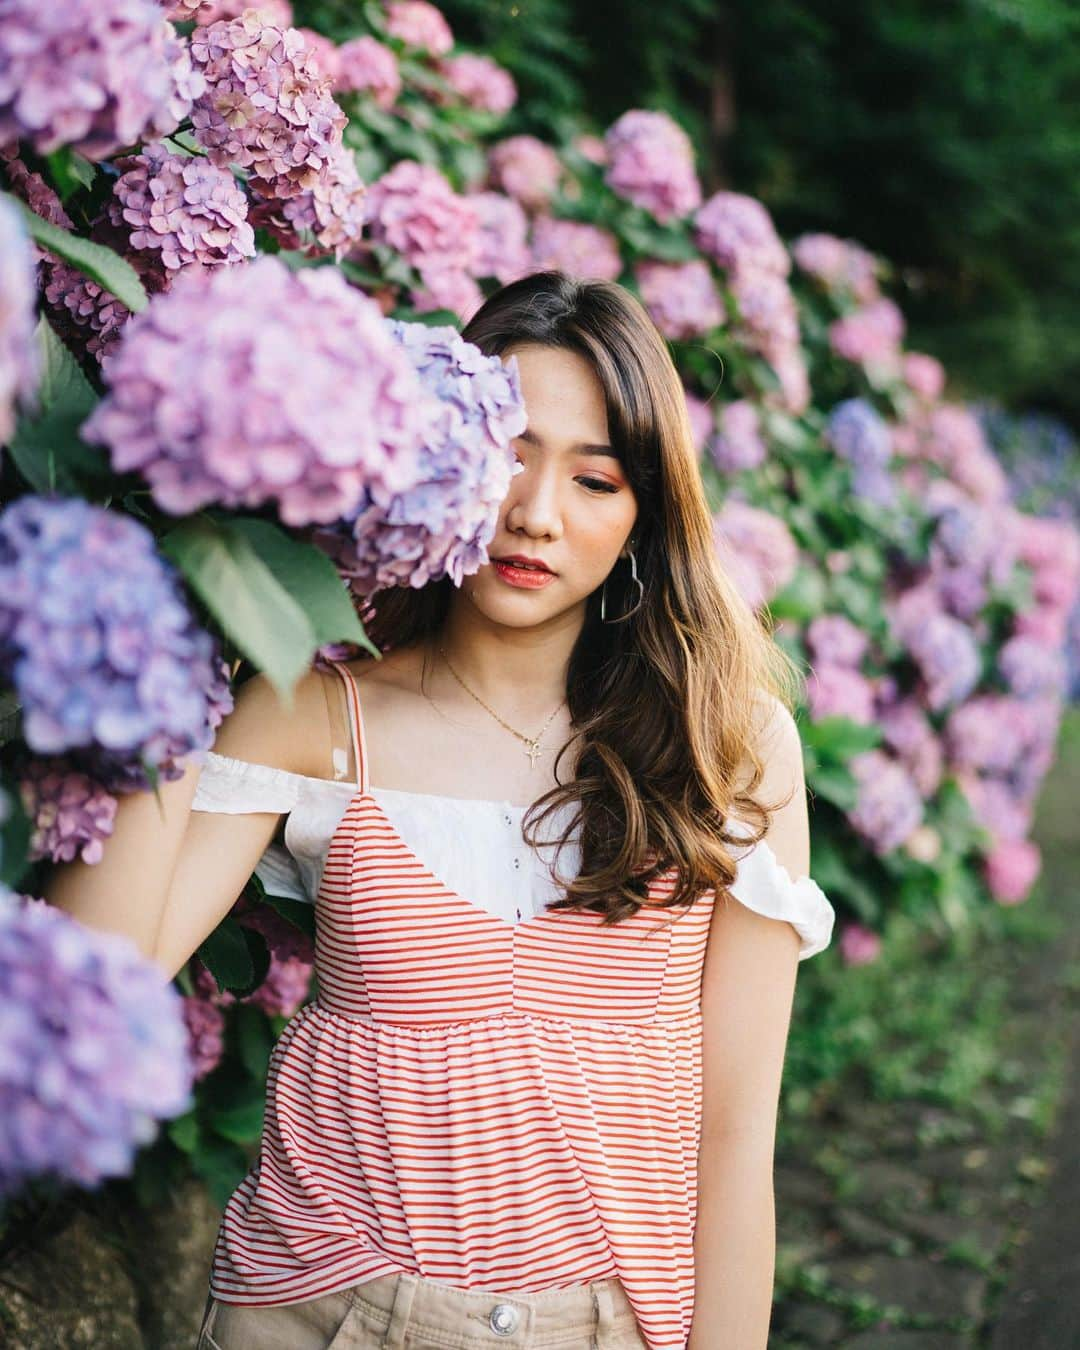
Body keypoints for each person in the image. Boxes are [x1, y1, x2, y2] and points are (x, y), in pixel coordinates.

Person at [43, 270, 835, 1350]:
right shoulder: (312, 716)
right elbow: (98, 973)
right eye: (508, 452)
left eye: (596, 480)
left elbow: (738, 1138)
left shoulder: (728, 749)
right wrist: (188, 616)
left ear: (644, 518)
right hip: (316, 1310)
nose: (535, 513)